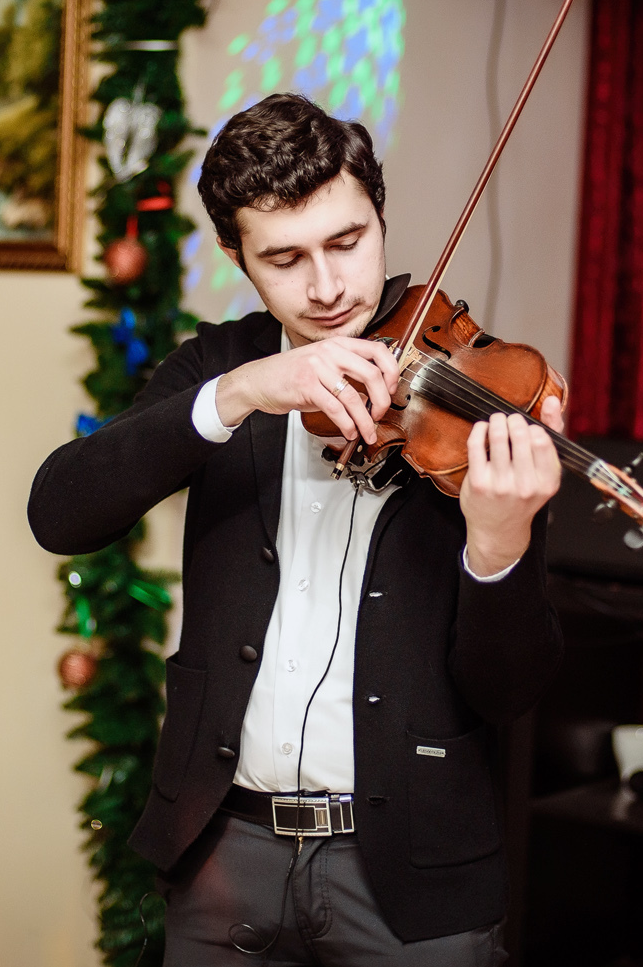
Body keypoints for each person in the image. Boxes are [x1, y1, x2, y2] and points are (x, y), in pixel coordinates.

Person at [28, 93, 565, 965]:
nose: (326, 287)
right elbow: (59, 512)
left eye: (348, 242)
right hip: (222, 849)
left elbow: (511, 691)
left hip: (414, 873)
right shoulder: (220, 366)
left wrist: (499, 547)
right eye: (285, 258)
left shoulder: (479, 397)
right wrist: (241, 392)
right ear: (237, 257)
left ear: (379, 217)